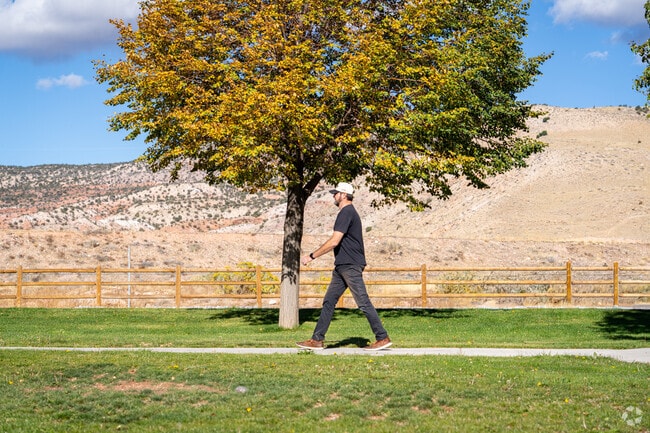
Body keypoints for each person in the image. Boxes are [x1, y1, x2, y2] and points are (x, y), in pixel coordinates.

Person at [297, 182, 392, 351]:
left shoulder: (346, 212)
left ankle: (382, 337)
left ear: (343, 195)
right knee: (329, 301)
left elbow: (334, 241)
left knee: (363, 302)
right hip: (342, 266)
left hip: (350, 265)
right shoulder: (346, 213)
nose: (334, 195)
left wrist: (311, 256)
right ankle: (317, 339)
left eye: (336, 193)